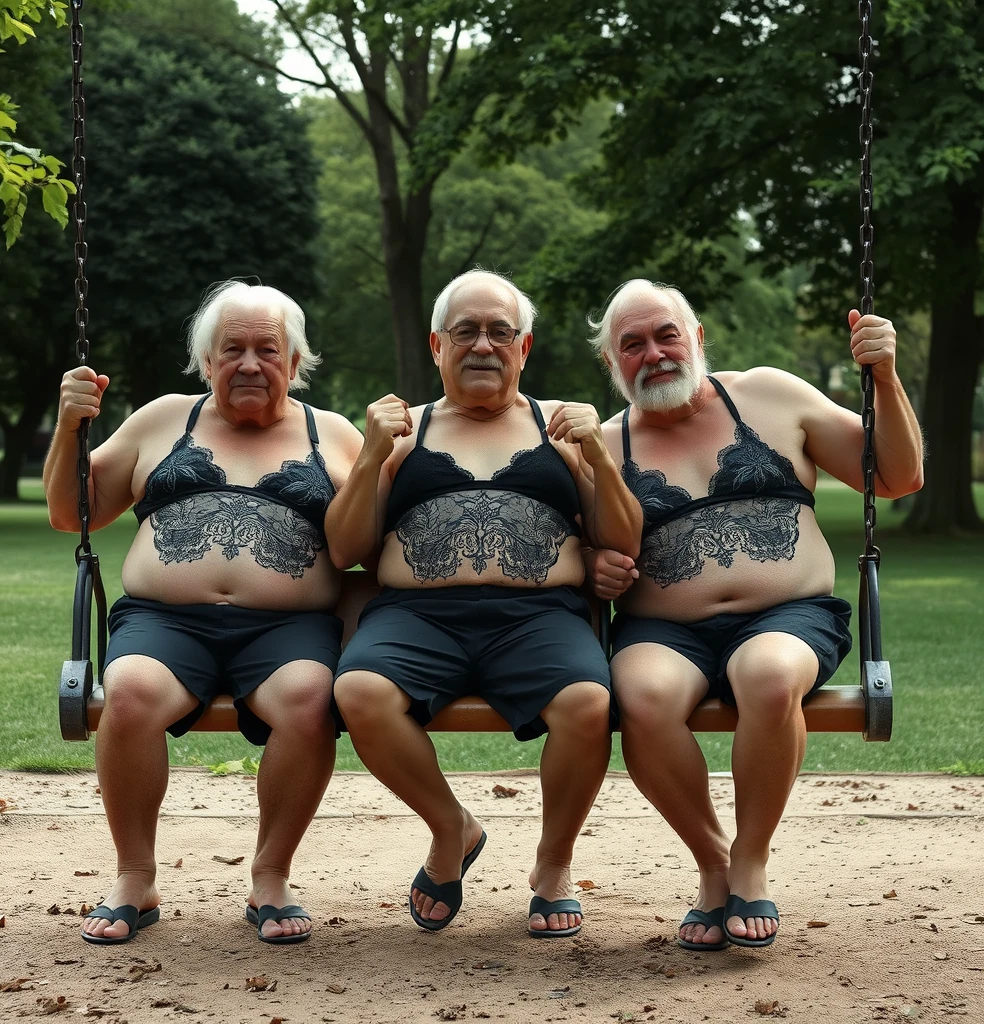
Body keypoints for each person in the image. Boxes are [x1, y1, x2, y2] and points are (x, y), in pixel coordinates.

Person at [585, 279, 923, 950]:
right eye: (632, 345)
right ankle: (713, 864)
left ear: (699, 337)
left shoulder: (771, 395)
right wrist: (596, 568)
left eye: (666, 335)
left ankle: (751, 858)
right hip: (663, 630)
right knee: (642, 698)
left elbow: (897, 476)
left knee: (768, 676)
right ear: (612, 364)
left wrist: (883, 374)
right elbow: (575, 551)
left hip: (789, 616)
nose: (653, 354)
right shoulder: (601, 445)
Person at [44, 281, 364, 946]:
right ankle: (136, 876)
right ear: (208, 361)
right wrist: (70, 425)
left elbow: (377, 539)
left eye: (267, 350)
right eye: (233, 349)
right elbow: (70, 510)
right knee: (128, 694)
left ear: (296, 361)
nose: (250, 363)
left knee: (309, 700)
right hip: (166, 622)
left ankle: (271, 876)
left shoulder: (333, 435)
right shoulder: (161, 420)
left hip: (289, 630)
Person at [326, 270, 642, 938]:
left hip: (539, 619)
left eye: (501, 331)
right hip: (415, 619)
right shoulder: (402, 431)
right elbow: (345, 549)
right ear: (438, 345)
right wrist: (370, 457)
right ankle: (452, 829)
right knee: (358, 691)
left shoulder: (561, 426)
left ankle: (553, 864)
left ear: (523, 349)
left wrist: (599, 458)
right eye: (466, 331)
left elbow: (622, 537)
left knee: (588, 703)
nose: (483, 345)